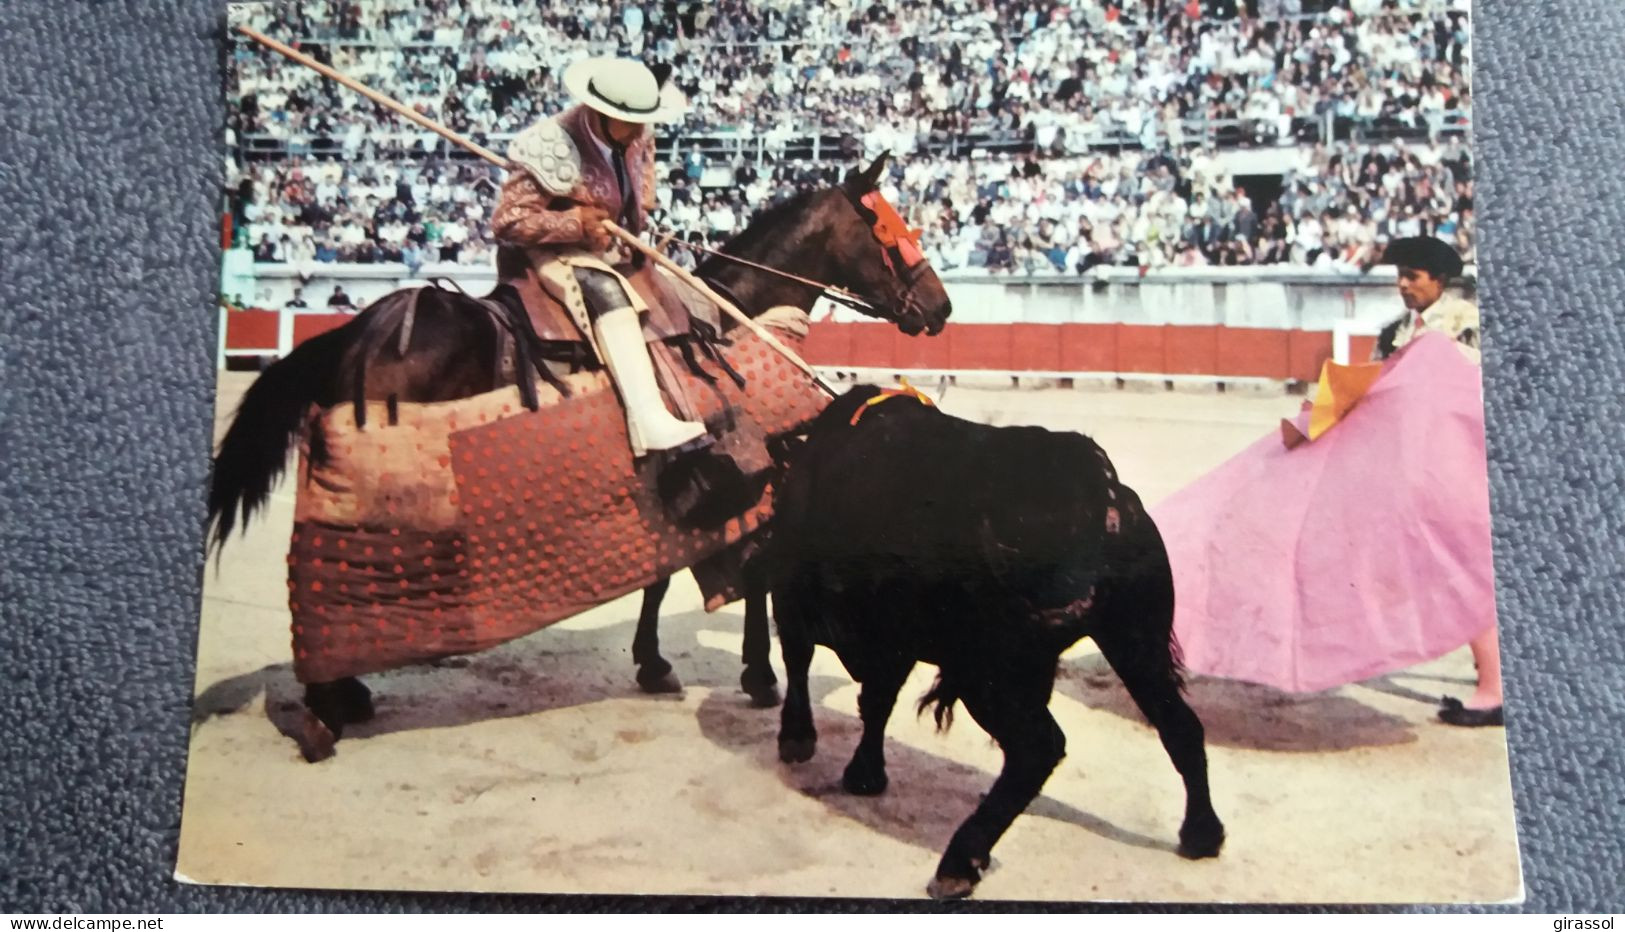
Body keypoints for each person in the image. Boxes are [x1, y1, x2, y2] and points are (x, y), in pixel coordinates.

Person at [489, 57, 707, 456]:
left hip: (609, 245)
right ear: (599, 112)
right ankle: (648, 420)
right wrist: (575, 223)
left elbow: (641, 179)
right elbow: (507, 221)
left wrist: (637, 214)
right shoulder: (548, 144)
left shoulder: (636, 131)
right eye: (630, 121)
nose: (641, 130)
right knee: (607, 291)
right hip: (548, 251)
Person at [1372, 236, 1500, 726]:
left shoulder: (1469, 323)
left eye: (1413, 277)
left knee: (1465, 568)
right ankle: (1492, 673)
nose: (1403, 285)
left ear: (1439, 281)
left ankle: (1493, 688)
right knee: (1459, 568)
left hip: (1464, 461)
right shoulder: (1393, 332)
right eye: (1400, 276)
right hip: (1418, 467)